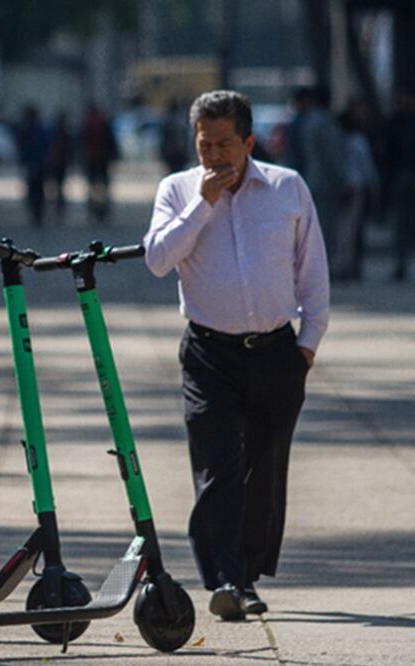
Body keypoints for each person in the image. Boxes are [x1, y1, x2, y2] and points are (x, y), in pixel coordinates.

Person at [142, 90, 330, 621]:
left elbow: (312, 272)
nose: (215, 156)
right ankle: (225, 578)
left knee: (263, 473)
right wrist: (202, 204)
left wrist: (307, 347)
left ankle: (244, 576)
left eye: (226, 143)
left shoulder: (287, 188)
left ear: (249, 142)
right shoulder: (177, 190)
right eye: (205, 144)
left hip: (276, 351)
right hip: (208, 353)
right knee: (218, 466)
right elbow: (157, 259)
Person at [298, 86, 347, 277]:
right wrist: (341, 180)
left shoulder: (308, 121)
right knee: (325, 227)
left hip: (312, 178)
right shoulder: (325, 122)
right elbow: (331, 156)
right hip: (326, 182)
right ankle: (322, 271)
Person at [334, 98, 379, 282]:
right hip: (356, 186)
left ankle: (342, 265)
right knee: (349, 230)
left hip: (342, 186)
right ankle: (345, 265)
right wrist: (375, 188)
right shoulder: (358, 141)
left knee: (341, 228)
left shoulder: (338, 140)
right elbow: (368, 167)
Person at [385, 85, 415, 282]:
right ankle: (400, 266)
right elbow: (388, 153)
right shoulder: (395, 123)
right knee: (401, 224)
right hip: (401, 175)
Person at [80, 103, 119, 223]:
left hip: (90, 160)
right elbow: (111, 143)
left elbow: (81, 143)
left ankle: (92, 211)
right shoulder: (104, 124)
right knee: (104, 188)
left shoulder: (86, 125)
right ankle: (104, 211)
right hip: (103, 160)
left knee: (92, 187)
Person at [16, 104, 49, 226]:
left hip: (35, 163)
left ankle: (37, 212)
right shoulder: (38, 129)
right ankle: (37, 213)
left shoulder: (29, 129)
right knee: (36, 189)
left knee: (35, 189)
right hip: (36, 163)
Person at [46, 110, 72, 219]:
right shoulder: (65, 133)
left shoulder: (55, 132)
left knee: (56, 186)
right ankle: (58, 206)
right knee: (58, 186)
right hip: (59, 163)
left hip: (56, 163)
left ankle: (56, 206)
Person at [160, 98, 190, 174]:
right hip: (179, 154)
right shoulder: (182, 122)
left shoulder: (167, 121)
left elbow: (164, 139)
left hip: (172, 154)